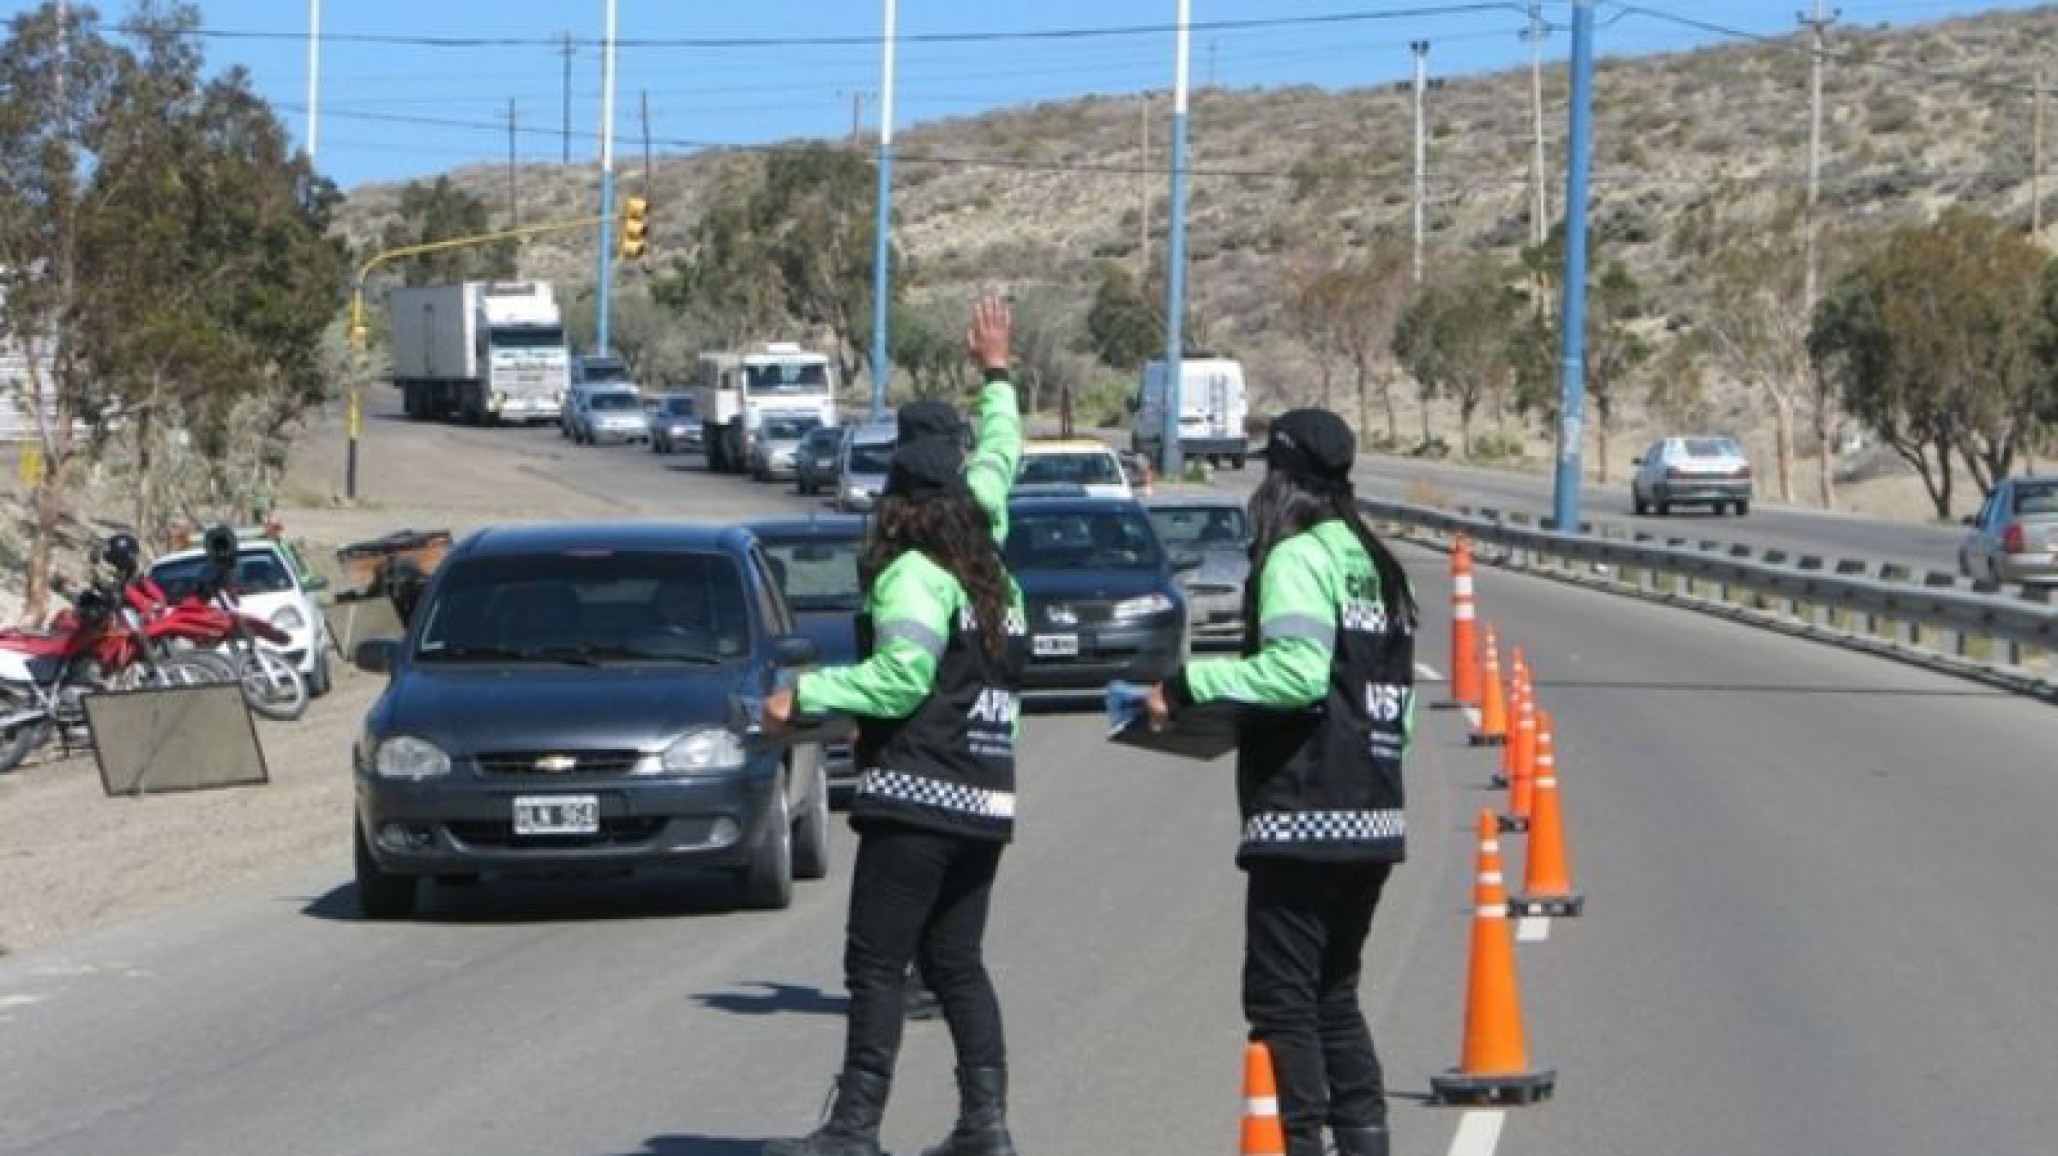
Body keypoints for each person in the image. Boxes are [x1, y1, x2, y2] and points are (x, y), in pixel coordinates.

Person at [760, 298, 1026, 1156]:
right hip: (986, 793)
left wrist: (803, 697)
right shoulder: (989, 560)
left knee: (876, 964)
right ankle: (984, 1124)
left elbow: (903, 674)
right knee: (955, 964)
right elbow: (1002, 458)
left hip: (919, 794)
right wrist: (996, 374)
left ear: (898, 498)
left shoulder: (915, 572)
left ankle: (855, 1129)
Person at [1143, 409, 1418, 1156]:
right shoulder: (1375, 562)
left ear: (1284, 480)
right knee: (1334, 995)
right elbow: (1396, 704)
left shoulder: (1298, 556)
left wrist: (1189, 687)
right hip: (1374, 810)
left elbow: (1297, 674)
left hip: (1305, 813)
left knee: (1281, 1001)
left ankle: (1298, 1142)